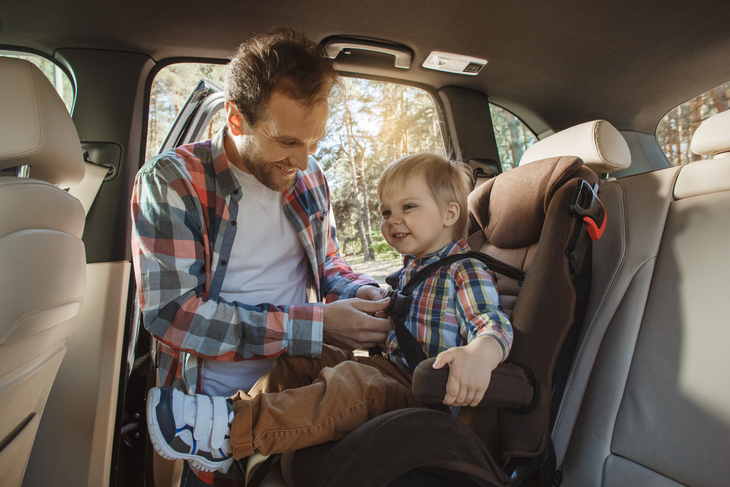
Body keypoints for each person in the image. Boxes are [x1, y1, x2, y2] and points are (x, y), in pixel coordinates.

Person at [131, 29, 393, 486]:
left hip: (301, 398)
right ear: (236, 119)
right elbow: (174, 314)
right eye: (287, 141)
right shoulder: (172, 183)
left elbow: (328, 263)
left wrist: (357, 290)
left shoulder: (310, 178)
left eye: (314, 142)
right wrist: (317, 323)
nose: (303, 160)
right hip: (208, 417)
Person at [145, 152, 513, 476]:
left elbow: (492, 322)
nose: (392, 221)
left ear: (450, 213)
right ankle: (235, 415)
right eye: (386, 211)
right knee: (303, 355)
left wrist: (481, 353)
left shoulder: (465, 270)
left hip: (425, 395)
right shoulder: (413, 270)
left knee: (352, 383)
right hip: (392, 371)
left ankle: (231, 431)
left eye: (409, 207)